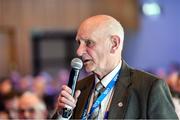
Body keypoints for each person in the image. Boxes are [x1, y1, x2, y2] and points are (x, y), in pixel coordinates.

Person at [52, 15, 178, 119]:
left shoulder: (149, 88)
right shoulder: (78, 89)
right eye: (79, 43)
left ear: (114, 44)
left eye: (89, 43)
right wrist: (62, 116)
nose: (79, 51)